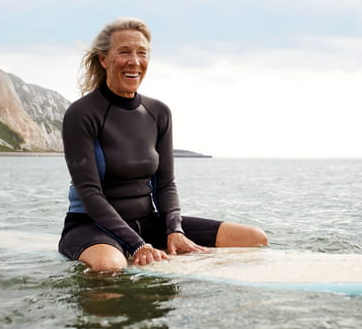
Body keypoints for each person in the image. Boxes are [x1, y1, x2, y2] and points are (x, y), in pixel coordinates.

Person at [59, 17, 268, 271]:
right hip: (91, 225)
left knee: (253, 238)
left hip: (148, 222)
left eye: (142, 53)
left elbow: (166, 184)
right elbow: (89, 194)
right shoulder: (82, 114)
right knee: (109, 265)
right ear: (104, 59)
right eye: (124, 52)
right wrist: (137, 245)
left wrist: (174, 230)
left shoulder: (158, 112)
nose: (134, 61)